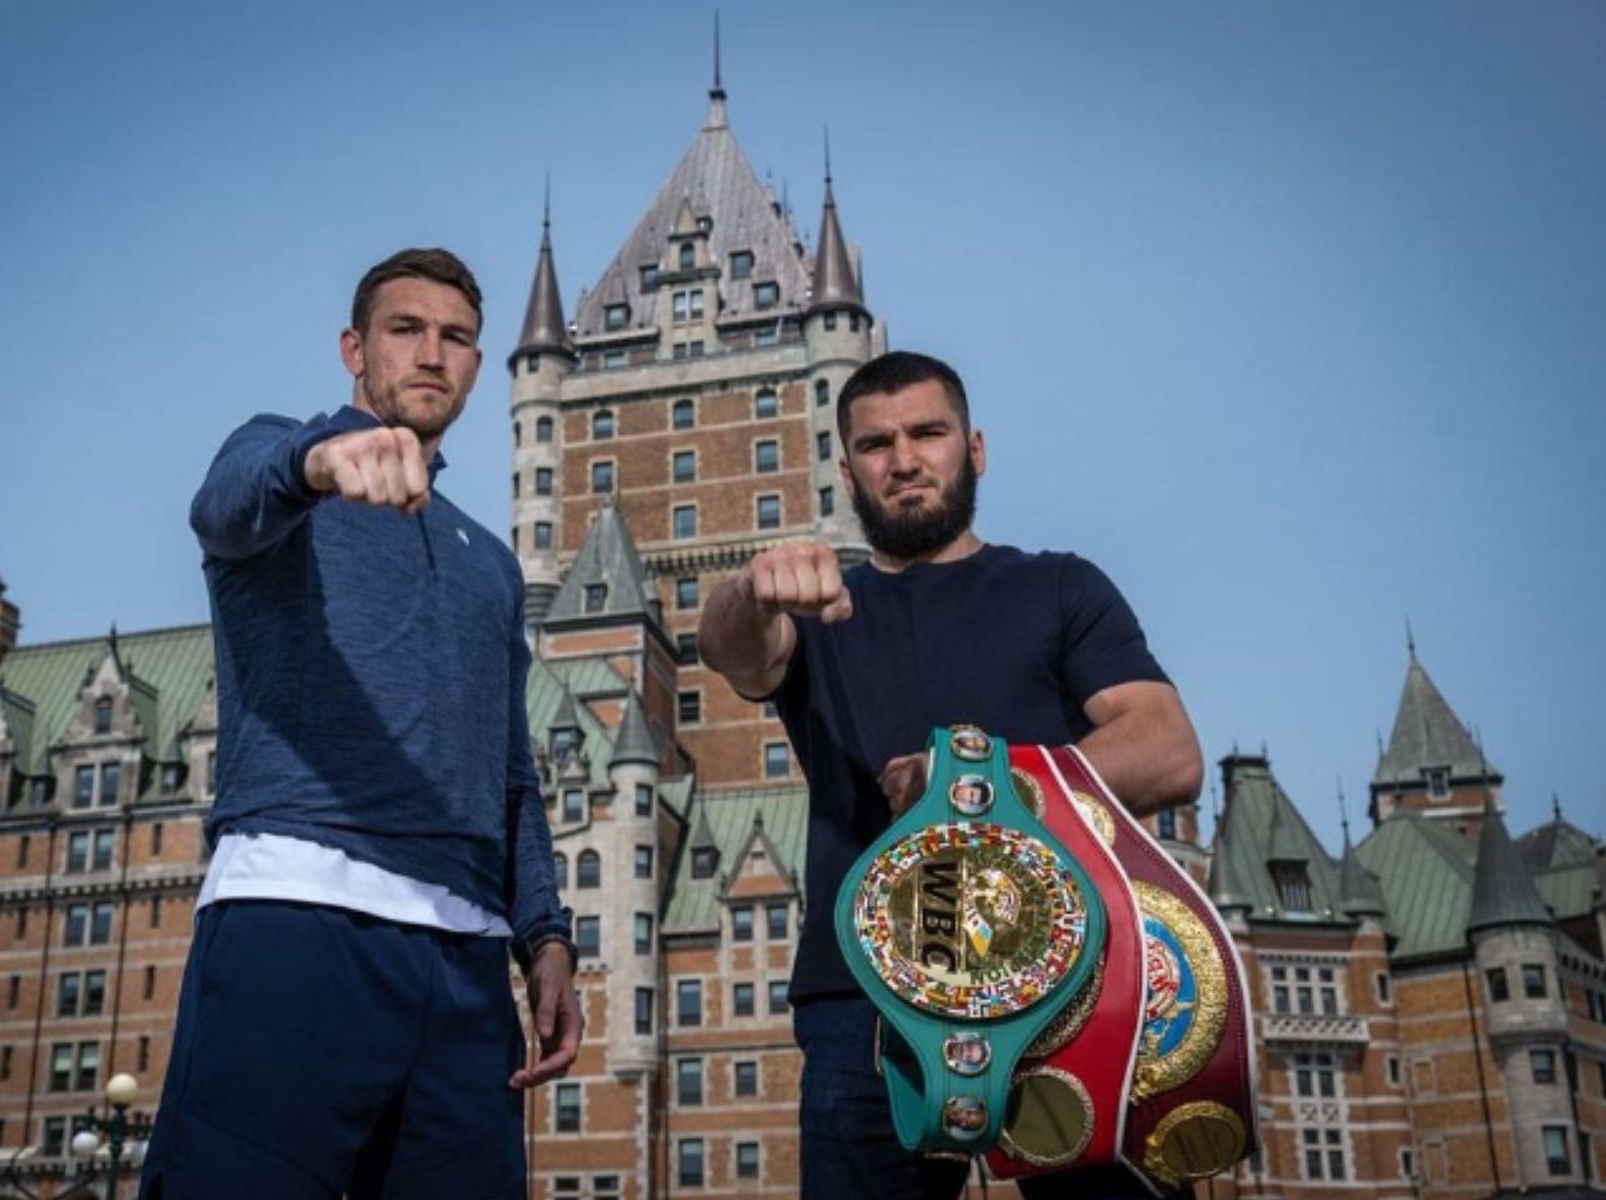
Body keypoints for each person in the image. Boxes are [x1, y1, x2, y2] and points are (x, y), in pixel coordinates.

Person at [698, 350, 1203, 1200]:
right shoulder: (820, 613)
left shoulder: (1059, 586)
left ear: (974, 448)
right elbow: (732, 651)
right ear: (847, 471)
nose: (903, 458)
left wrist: (972, 782)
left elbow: (1167, 748)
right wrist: (751, 588)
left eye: (927, 433)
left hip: (1068, 976)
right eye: (875, 443)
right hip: (864, 996)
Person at [140, 248, 581, 1200]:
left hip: (466, 962)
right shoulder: (281, 462)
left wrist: (546, 939)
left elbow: (510, 772)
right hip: (300, 911)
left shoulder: (492, 566)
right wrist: (315, 462)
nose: (433, 353)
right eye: (405, 330)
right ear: (354, 348)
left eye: (457, 338)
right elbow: (222, 509)